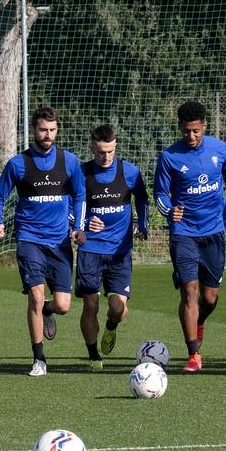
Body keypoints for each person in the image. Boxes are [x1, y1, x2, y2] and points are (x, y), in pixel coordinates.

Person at [0, 105, 86, 376]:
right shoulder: (17, 164)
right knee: (35, 293)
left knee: (64, 306)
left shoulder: (70, 162)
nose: (48, 135)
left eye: (52, 130)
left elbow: (80, 196)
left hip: (60, 243)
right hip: (29, 239)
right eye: (43, 130)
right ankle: (39, 359)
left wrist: (78, 228)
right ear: (33, 130)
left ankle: (47, 310)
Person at [154, 100, 226, 373]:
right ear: (180, 128)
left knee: (210, 297)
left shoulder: (221, 150)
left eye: (195, 131)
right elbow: (160, 195)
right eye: (186, 131)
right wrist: (170, 210)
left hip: (214, 231)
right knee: (189, 291)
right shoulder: (169, 157)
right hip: (184, 233)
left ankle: (199, 322)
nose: (190, 136)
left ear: (204, 126)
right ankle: (193, 354)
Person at [75, 125, 149, 371]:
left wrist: (142, 224)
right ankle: (93, 355)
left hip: (120, 251)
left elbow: (142, 199)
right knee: (91, 304)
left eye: (110, 151)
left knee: (117, 308)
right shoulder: (81, 173)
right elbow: (69, 206)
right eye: (100, 152)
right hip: (91, 250)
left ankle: (111, 326)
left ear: (116, 147)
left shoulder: (130, 172)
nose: (105, 157)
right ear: (92, 148)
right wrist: (84, 223)